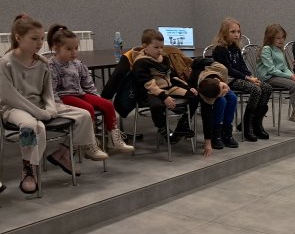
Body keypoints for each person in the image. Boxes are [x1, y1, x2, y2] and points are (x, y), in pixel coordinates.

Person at [0, 14, 108, 195]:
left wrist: (50, 107)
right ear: (18, 38)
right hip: (15, 108)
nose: (39, 43)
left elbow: (48, 91)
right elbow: (10, 97)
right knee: (31, 127)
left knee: (83, 115)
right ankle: (29, 167)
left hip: (41, 106)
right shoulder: (5, 63)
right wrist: (38, 113)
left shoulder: (42, 62)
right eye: (34, 39)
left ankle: (64, 152)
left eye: (42, 38)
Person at [47, 24, 134, 155]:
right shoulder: (52, 65)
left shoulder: (78, 64)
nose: (74, 52)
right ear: (56, 48)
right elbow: (51, 90)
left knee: (107, 104)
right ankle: (89, 144)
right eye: (69, 49)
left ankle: (114, 140)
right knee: (88, 108)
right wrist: (59, 106)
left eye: (76, 48)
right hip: (64, 97)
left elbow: (88, 84)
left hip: (79, 94)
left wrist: (97, 99)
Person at [131, 28, 198, 145]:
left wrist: (188, 87)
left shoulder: (164, 58)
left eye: (161, 47)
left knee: (195, 96)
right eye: (156, 47)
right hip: (150, 91)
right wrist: (164, 96)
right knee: (157, 105)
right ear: (144, 47)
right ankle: (163, 129)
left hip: (168, 87)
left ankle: (183, 125)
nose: (160, 50)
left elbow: (172, 77)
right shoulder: (141, 62)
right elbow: (148, 83)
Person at [211, 18, 272, 141]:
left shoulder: (235, 48)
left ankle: (256, 123)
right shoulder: (220, 49)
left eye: (238, 31)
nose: (236, 34)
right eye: (232, 32)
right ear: (224, 33)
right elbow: (228, 70)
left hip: (240, 77)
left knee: (266, 87)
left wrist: (250, 76)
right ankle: (247, 125)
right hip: (228, 80)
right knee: (256, 90)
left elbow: (242, 65)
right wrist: (247, 78)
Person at [256, 24, 295, 124]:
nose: (281, 40)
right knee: (293, 85)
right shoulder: (267, 49)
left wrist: (293, 76)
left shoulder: (279, 50)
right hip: (268, 77)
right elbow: (271, 70)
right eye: (278, 38)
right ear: (270, 38)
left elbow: (284, 68)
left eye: (283, 38)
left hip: (277, 76)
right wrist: (289, 76)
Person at [196, 60, 239, 155]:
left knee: (232, 98)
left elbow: (197, 62)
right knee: (222, 101)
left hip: (218, 79)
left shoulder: (221, 69)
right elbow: (206, 116)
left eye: (223, 87)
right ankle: (216, 133)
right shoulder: (205, 92)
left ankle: (227, 131)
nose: (225, 90)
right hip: (209, 88)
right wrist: (208, 142)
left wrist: (224, 87)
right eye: (221, 92)